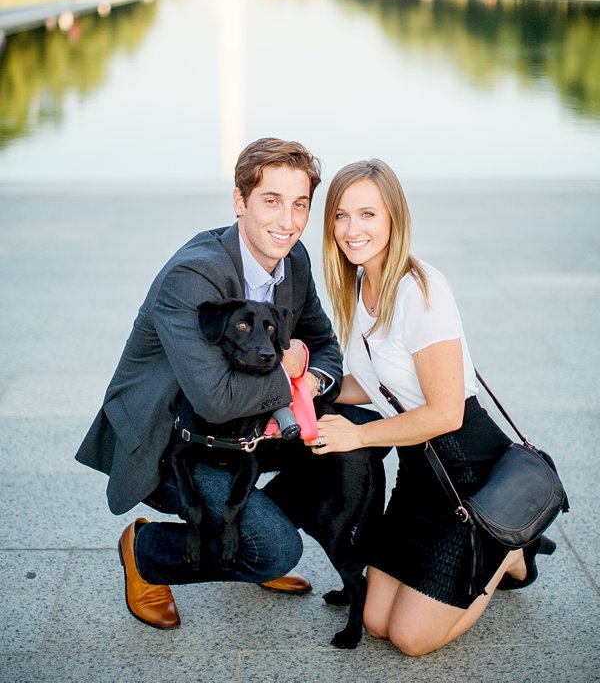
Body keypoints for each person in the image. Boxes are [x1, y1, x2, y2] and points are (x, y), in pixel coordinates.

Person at [75, 138, 343, 629]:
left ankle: (249, 519)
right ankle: (146, 551)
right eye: (271, 201)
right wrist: (291, 368)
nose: (287, 221)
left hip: (245, 430)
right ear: (239, 201)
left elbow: (326, 349)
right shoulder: (193, 276)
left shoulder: (294, 259)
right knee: (274, 551)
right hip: (173, 440)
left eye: (299, 204)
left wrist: (311, 372)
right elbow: (216, 399)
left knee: (355, 436)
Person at [309, 159, 556, 656]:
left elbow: (447, 414)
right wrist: (315, 386)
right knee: (376, 620)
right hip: (422, 472)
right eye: (340, 215)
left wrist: (356, 436)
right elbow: (378, 383)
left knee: (409, 638)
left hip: (471, 470)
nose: (351, 230)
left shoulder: (419, 290)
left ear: (393, 218)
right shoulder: (359, 284)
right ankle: (491, 554)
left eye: (366, 214)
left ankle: (507, 547)